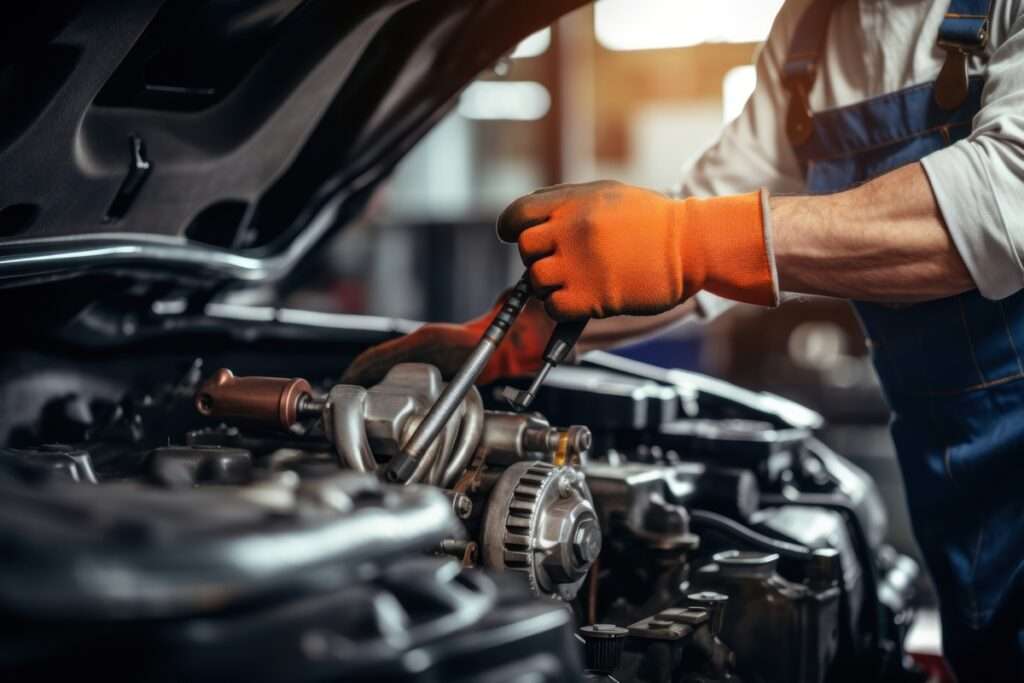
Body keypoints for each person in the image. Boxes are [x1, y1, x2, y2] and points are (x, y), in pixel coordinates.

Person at [345, 1, 1024, 678]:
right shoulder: (813, 30)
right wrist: (516, 338)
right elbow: (714, 212)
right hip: (949, 465)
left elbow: (1004, 194)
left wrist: (685, 241)